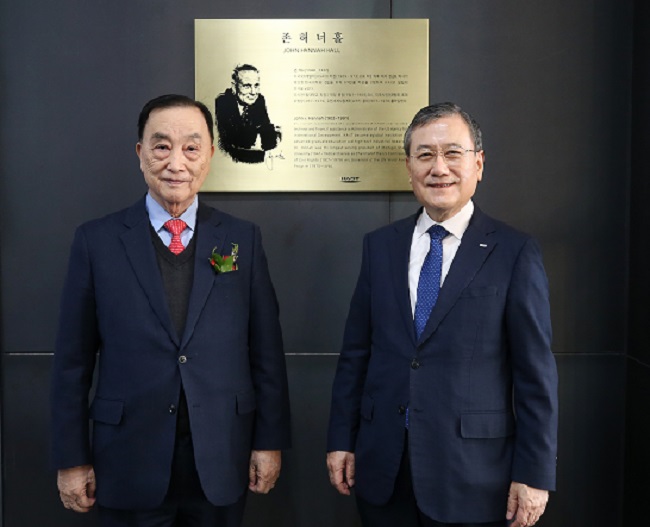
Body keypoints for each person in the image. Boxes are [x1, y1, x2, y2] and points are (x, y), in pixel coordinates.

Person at [51, 94, 291, 527]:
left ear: (210, 156)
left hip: (221, 456)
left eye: (191, 147)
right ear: (141, 154)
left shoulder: (243, 239)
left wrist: (268, 442)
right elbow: (72, 363)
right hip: (127, 458)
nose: (176, 162)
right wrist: (71, 459)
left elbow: (266, 354)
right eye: (162, 146)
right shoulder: (97, 241)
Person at [326, 102, 558, 527]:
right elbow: (357, 353)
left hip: (474, 476)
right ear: (409, 166)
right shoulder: (380, 246)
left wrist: (534, 473)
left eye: (453, 153)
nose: (439, 168)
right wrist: (341, 439)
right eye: (425, 155)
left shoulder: (514, 251)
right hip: (384, 468)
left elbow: (535, 375)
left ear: (479, 163)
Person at [215, 64, 281, 164]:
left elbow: (267, 136)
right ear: (234, 87)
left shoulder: (259, 100)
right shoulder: (223, 102)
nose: (253, 92)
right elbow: (231, 143)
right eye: (247, 86)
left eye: (256, 85)